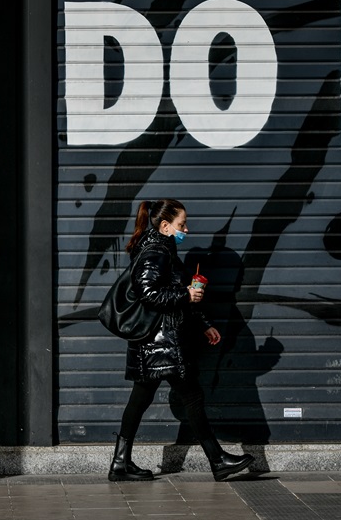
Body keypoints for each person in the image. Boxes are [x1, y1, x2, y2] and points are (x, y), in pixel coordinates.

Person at [108, 199, 255, 482]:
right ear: (165, 226)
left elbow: (173, 292)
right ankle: (218, 460)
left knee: (140, 400)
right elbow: (149, 294)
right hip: (163, 343)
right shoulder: (155, 252)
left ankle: (120, 463)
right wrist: (187, 295)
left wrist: (204, 324)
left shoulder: (163, 249)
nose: (186, 229)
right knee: (192, 397)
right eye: (181, 224)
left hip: (154, 343)